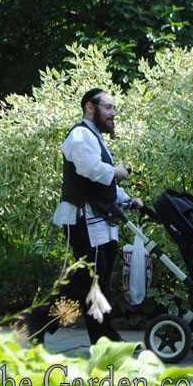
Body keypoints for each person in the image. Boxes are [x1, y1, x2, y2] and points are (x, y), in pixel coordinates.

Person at [25, 88, 143, 345]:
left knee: (93, 283)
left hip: (98, 220)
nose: (113, 113)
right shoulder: (80, 135)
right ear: (90, 107)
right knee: (85, 282)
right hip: (85, 220)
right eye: (108, 107)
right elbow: (93, 170)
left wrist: (126, 199)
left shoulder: (94, 138)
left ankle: (101, 337)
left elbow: (103, 185)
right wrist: (116, 170)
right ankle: (41, 319)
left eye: (114, 108)